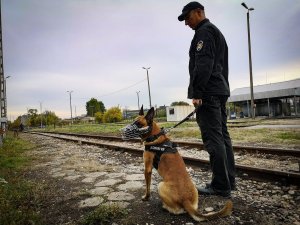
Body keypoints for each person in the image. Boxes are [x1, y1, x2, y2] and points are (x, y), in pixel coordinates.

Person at [178, 2, 235, 198]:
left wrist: (198, 93)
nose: (186, 22)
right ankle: (228, 181)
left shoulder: (204, 32)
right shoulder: (215, 32)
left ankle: (220, 186)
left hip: (209, 93)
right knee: (223, 137)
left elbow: (203, 64)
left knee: (213, 139)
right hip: (219, 91)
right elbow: (222, 67)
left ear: (199, 12)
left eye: (188, 17)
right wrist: (221, 91)